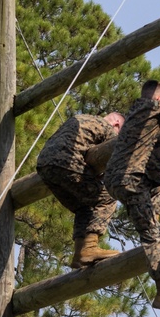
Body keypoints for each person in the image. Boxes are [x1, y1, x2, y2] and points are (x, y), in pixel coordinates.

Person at [105, 79, 160, 312]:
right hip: (130, 180)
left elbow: (153, 163)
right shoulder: (151, 107)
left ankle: (152, 219)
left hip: (118, 179)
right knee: (151, 235)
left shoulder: (137, 116)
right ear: (159, 99)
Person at [35, 109, 125, 268]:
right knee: (107, 197)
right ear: (117, 124)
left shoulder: (81, 119)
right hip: (66, 162)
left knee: (84, 206)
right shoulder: (107, 128)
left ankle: (80, 254)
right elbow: (117, 158)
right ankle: (89, 248)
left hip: (44, 166)